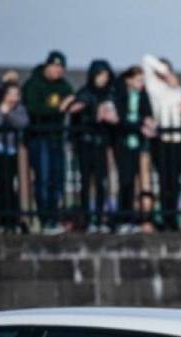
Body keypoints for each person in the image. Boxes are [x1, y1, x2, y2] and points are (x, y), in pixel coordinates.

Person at [22, 50, 74, 233]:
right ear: (47, 66)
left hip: (56, 139)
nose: (58, 71)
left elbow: (74, 99)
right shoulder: (33, 85)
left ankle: (53, 217)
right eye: (55, 66)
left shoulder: (64, 86)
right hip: (39, 138)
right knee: (43, 179)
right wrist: (59, 109)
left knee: (57, 179)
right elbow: (34, 110)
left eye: (61, 67)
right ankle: (44, 219)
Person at [69, 59, 117, 232]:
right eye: (100, 75)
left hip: (101, 143)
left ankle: (99, 217)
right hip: (86, 142)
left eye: (105, 75)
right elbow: (75, 115)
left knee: (101, 181)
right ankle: (86, 218)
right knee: (85, 182)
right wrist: (94, 113)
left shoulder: (110, 93)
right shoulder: (84, 93)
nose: (103, 79)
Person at [143, 55, 181, 231]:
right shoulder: (154, 87)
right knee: (163, 181)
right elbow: (146, 60)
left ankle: (174, 216)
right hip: (161, 140)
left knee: (175, 181)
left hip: (176, 139)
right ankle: (164, 215)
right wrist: (163, 70)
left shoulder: (177, 90)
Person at [113, 66, 155, 233]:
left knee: (139, 183)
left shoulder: (143, 96)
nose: (141, 83)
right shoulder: (120, 94)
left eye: (142, 80)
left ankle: (136, 218)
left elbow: (148, 115)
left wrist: (149, 122)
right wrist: (140, 125)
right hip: (123, 144)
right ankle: (123, 218)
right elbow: (120, 120)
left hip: (138, 144)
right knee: (125, 180)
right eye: (138, 80)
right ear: (128, 80)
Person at [0, 82, 29, 233]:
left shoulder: (20, 110)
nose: (13, 97)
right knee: (1, 185)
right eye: (10, 94)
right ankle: (1, 220)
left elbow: (22, 123)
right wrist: (1, 110)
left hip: (13, 153)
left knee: (12, 186)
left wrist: (8, 113)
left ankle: (13, 219)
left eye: (16, 94)